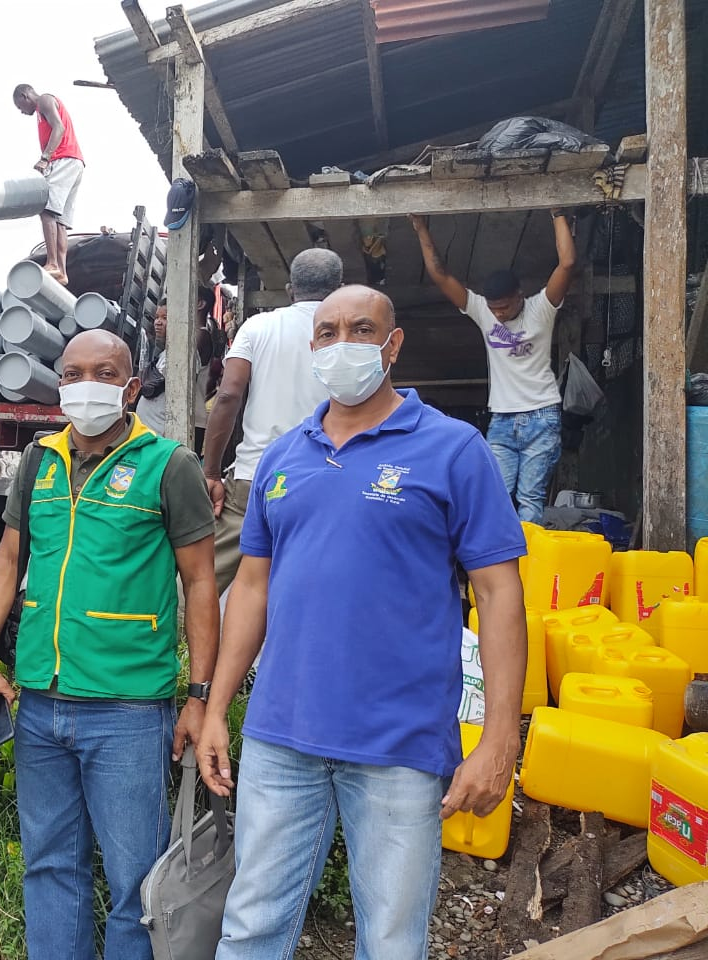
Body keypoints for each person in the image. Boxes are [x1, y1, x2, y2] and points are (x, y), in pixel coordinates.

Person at [197, 286, 527, 960]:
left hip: (398, 745)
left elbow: (498, 595)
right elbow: (252, 589)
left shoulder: (453, 450)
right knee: (251, 927)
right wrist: (214, 708)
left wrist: (499, 739)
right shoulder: (284, 457)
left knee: (393, 943)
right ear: (311, 345)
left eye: (361, 328)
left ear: (392, 343)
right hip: (281, 736)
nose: (342, 342)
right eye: (327, 332)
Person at [0, 328, 219, 960]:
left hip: (128, 709)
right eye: (73, 374)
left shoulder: (168, 465)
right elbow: (7, 558)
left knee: (137, 882)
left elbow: (200, 580)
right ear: (59, 386)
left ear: (130, 387)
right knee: (49, 866)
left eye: (102, 373)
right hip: (41, 705)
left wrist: (200, 697)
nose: (86, 386)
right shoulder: (39, 460)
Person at [410, 210, 577, 522]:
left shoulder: (541, 308)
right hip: (501, 420)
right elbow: (440, 275)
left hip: (541, 417)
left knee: (530, 500)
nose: (498, 315)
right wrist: (421, 227)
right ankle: (496, 568)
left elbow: (566, 263)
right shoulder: (481, 311)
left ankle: (529, 570)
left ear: (520, 296)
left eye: (504, 307)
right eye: (493, 309)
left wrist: (557, 213)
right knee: (493, 497)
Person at [201, 248, 342, 595]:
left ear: (290, 288)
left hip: (256, 477)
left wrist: (210, 472)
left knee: (202, 578)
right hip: (325, 478)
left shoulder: (259, 326)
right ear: (340, 289)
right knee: (314, 582)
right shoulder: (346, 334)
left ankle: (174, 636)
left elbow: (229, 395)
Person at [13, 83, 84, 286]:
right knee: (59, 221)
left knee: (46, 211)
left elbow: (59, 127)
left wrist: (45, 158)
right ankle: (61, 271)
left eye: (20, 106)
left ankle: (52, 262)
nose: (21, 111)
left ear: (25, 96)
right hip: (75, 163)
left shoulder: (44, 100)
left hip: (63, 159)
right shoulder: (41, 108)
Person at [136, 291, 213, 446]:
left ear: (199, 304)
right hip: (159, 431)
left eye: (165, 318)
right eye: (157, 317)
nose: (158, 322)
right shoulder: (171, 348)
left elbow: (172, 379)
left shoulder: (199, 336)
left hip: (172, 431)